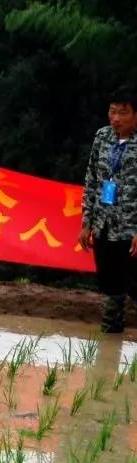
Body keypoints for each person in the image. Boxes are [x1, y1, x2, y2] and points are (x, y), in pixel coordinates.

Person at [80, 86, 137, 333]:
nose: (115, 118)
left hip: (131, 228)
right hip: (104, 222)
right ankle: (111, 339)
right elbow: (91, 179)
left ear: (135, 115)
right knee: (111, 284)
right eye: (112, 112)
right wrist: (86, 222)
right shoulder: (102, 137)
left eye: (122, 112)